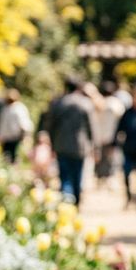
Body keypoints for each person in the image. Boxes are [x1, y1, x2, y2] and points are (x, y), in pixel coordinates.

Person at [40, 77, 94, 206]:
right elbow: (90, 127)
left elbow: (50, 126)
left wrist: (52, 145)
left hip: (61, 145)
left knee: (65, 177)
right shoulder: (85, 103)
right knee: (77, 175)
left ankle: (66, 203)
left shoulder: (58, 103)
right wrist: (92, 144)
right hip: (80, 146)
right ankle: (76, 202)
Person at [0, 88, 33, 163]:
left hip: (16, 137)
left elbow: (24, 123)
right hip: (6, 137)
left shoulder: (19, 108)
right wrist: (0, 135)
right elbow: (2, 124)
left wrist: (26, 135)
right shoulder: (5, 108)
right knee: (5, 157)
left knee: (14, 157)